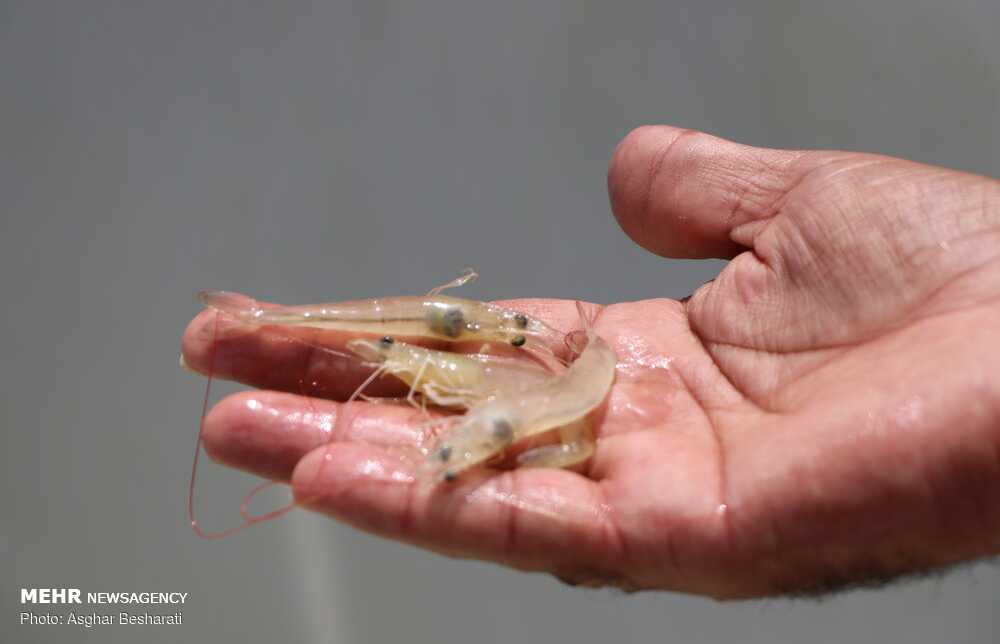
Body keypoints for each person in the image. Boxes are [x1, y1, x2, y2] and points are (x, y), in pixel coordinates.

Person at [182, 125, 1000, 599]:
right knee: (404, 362)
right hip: (525, 379)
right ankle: (270, 322)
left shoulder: (546, 390)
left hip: (545, 381)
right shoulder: (526, 387)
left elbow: (549, 421)